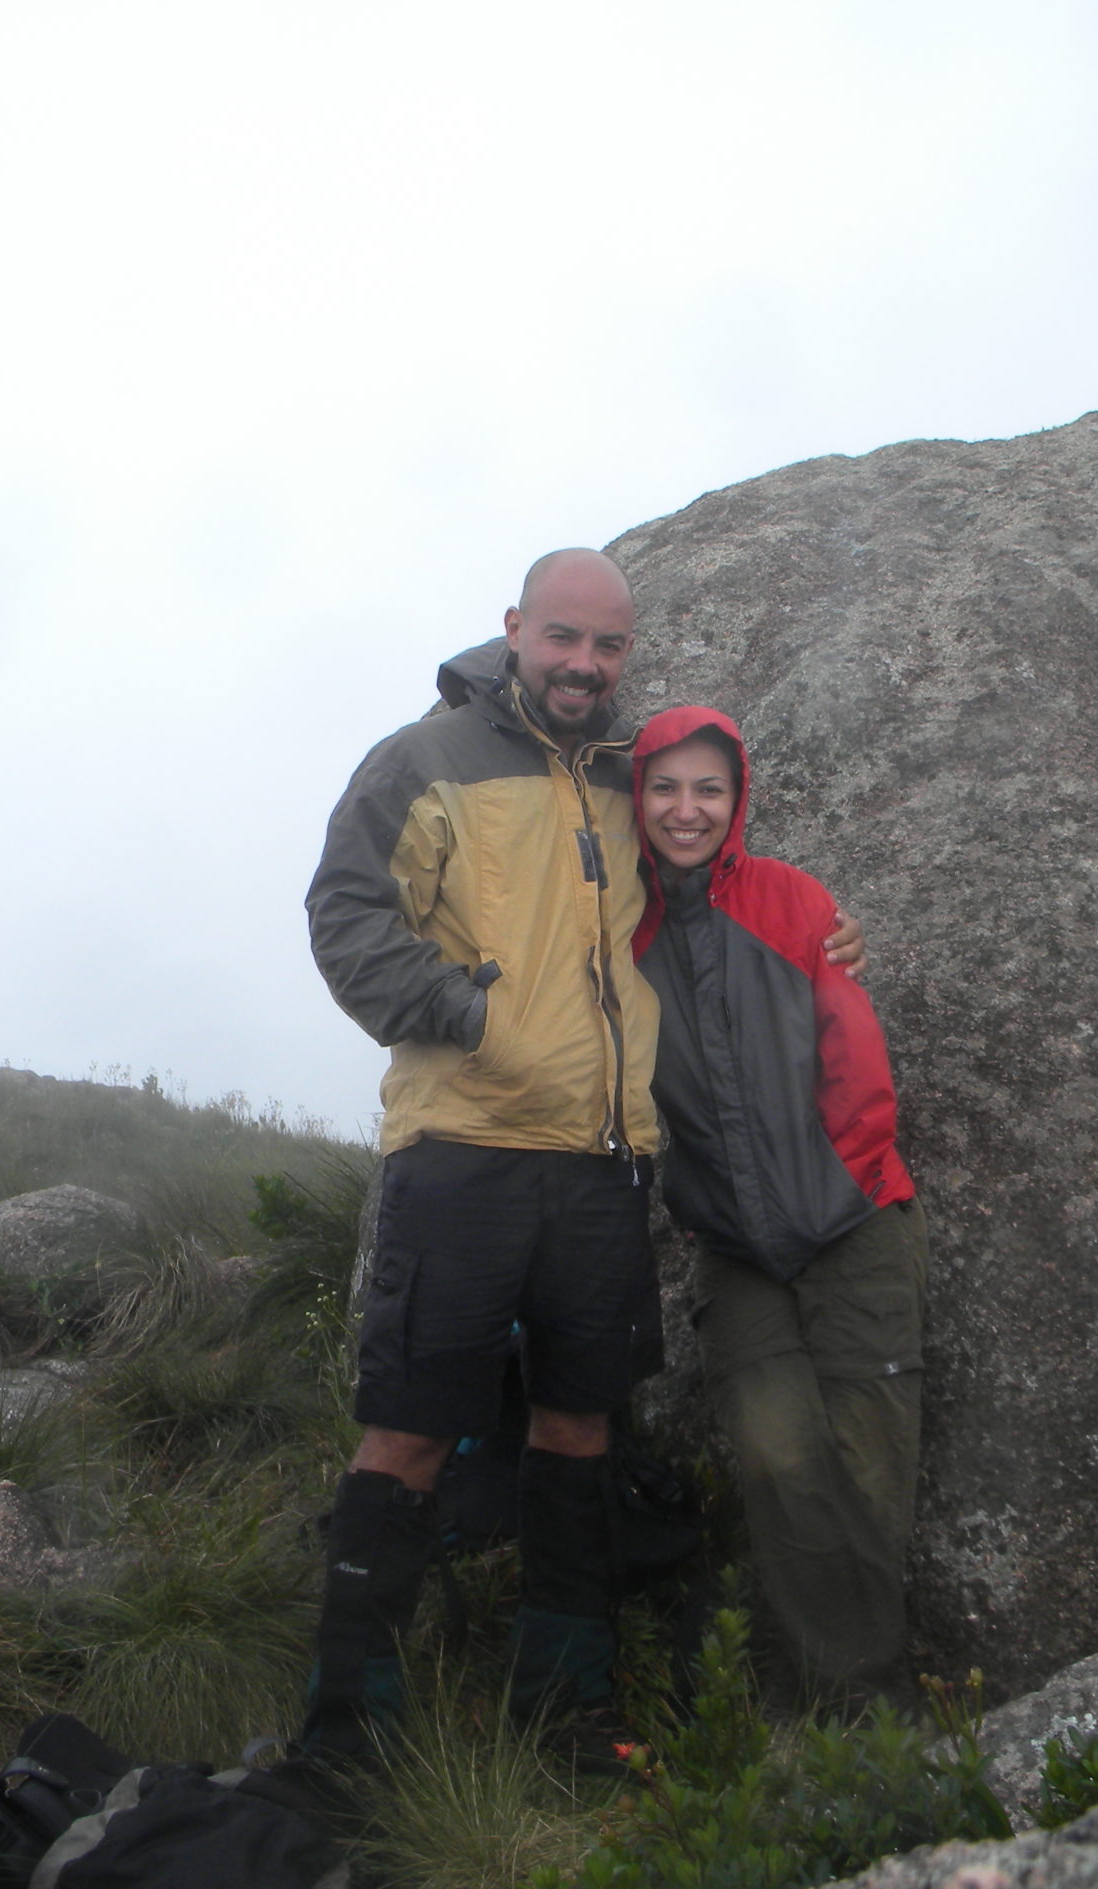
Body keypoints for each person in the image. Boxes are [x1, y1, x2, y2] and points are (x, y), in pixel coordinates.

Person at [300, 552, 860, 1763]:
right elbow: (343, 914)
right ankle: (349, 1735)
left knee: (579, 1424)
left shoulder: (624, 773)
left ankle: (565, 1710)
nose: (583, 666)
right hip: (463, 1150)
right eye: (563, 639)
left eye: (607, 648)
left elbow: (714, 870)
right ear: (514, 630)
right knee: (405, 1432)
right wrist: (471, 1019)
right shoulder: (422, 762)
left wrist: (826, 930)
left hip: (605, 1165)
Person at [630, 705, 926, 1701]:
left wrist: (824, 1193)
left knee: (869, 1467)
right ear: (637, 796)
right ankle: (861, 1717)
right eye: (664, 786)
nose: (685, 809)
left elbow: (857, 1066)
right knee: (779, 1462)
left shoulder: (794, 901)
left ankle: (853, 1716)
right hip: (731, 1248)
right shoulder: (619, 931)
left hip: (853, 1223)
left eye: (707, 788)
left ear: (737, 797)